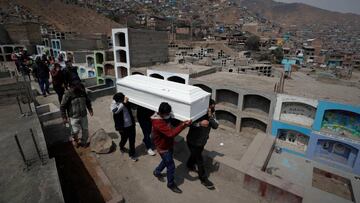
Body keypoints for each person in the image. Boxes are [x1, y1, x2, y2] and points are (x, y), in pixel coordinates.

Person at [152, 102, 191, 193]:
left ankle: (157, 172)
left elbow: (172, 123)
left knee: (166, 161)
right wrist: (183, 125)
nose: (169, 115)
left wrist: (182, 121)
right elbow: (170, 134)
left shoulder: (162, 117)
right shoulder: (158, 122)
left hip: (168, 145)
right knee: (171, 166)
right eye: (167, 114)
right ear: (161, 113)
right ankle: (171, 184)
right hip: (163, 147)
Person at [186, 99, 218, 190]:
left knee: (194, 155)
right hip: (192, 141)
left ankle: (189, 164)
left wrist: (210, 116)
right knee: (199, 160)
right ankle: (204, 179)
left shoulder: (212, 114)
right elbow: (189, 124)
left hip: (202, 142)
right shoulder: (197, 113)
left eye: (213, 107)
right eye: (211, 106)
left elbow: (216, 126)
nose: (213, 108)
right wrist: (200, 123)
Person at [60, 81, 93, 147]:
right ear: (71, 87)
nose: (78, 87)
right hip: (73, 117)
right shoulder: (67, 94)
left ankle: (84, 142)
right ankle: (75, 140)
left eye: (79, 86)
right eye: (76, 86)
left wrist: (90, 109)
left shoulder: (83, 92)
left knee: (85, 130)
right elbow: (62, 106)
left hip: (83, 115)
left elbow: (87, 101)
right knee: (75, 131)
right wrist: (64, 117)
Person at [110, 93, 138, 161]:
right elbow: (116, 111)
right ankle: (121, 146)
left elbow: (133, 106)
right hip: (122, 127)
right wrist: (123, 103)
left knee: (132, 140)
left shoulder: (126, 101)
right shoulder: (114, 103)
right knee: (124, 139)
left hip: (131, 125)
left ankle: (132, 154)